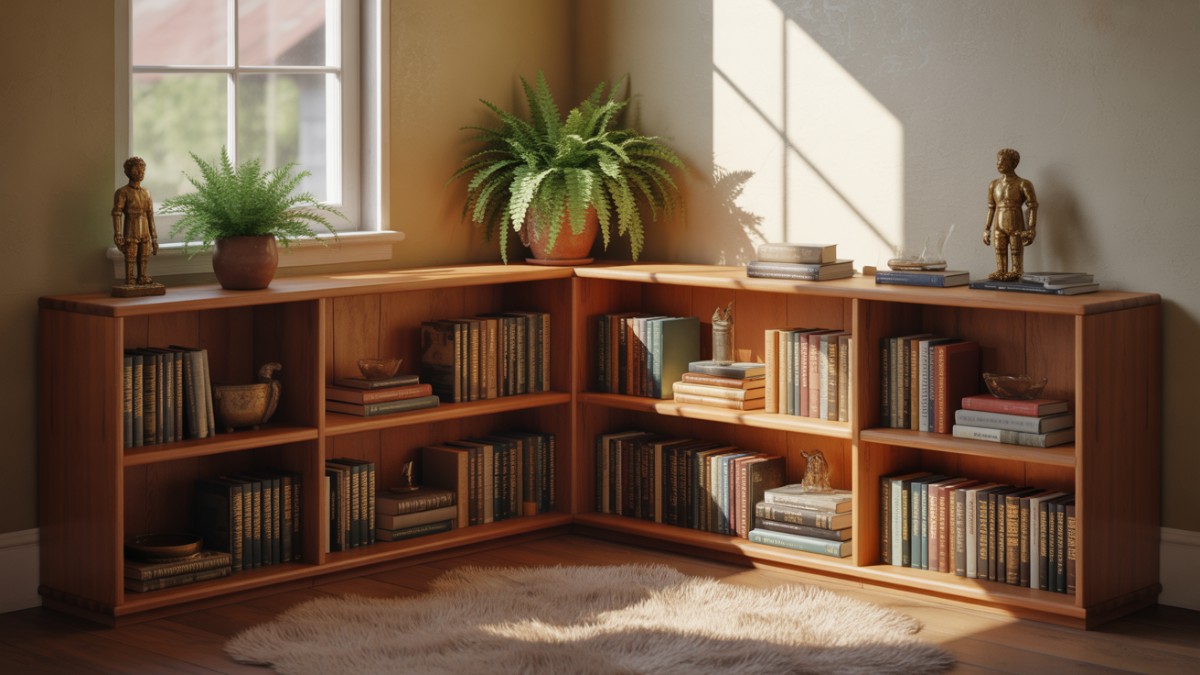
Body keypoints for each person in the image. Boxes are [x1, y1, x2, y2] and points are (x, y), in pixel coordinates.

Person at [983, 148, 1038, 281]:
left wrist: (1031, 229)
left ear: (1013, 163)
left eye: (1002, 161)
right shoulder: (993, 184)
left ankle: (1016, 270)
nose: (998, 163)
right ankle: (1000, 270)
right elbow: (991, 207)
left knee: (1016, 250)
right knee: (999, 250)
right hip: (998, 223)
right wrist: (986, 228)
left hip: (1016, 222)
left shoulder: (1023, 183)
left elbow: (1033, 206)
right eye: (998, 161)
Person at [112, 156, 158, 286]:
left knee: (144, 256)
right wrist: (118, 234)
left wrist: (154, 238)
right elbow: (117, 213)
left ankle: (142, 276)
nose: (140, 172)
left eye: (142, 170)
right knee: (131, 256)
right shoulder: (122, 192)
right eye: (136, 169)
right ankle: (130, 278)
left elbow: (150, 215)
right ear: (128, 171)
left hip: (145, 232)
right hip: (131, 230)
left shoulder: (147, 193)